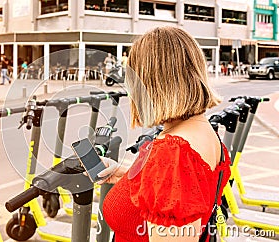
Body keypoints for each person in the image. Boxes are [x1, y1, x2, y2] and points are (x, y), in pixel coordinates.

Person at [98, 27, 231, 241]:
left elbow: (173, 178)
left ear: (150, 84)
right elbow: (183, 188)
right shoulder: (199, 128)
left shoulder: (174, 153)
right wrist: (127, 174)